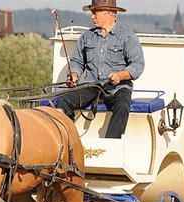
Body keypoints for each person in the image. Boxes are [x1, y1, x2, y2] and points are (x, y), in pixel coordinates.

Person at [56, 0, 145, 138]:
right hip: (91, 86)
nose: (92, 17)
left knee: (122, 107)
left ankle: (111, 145)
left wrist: (120, 76)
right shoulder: (86, 37)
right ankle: (70, 140)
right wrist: (73, 74)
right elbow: (77, 62)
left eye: (95, 13)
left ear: (109, 14)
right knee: (63, 100)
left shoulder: (128, 37)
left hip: (118, 88)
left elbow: (138, 65)